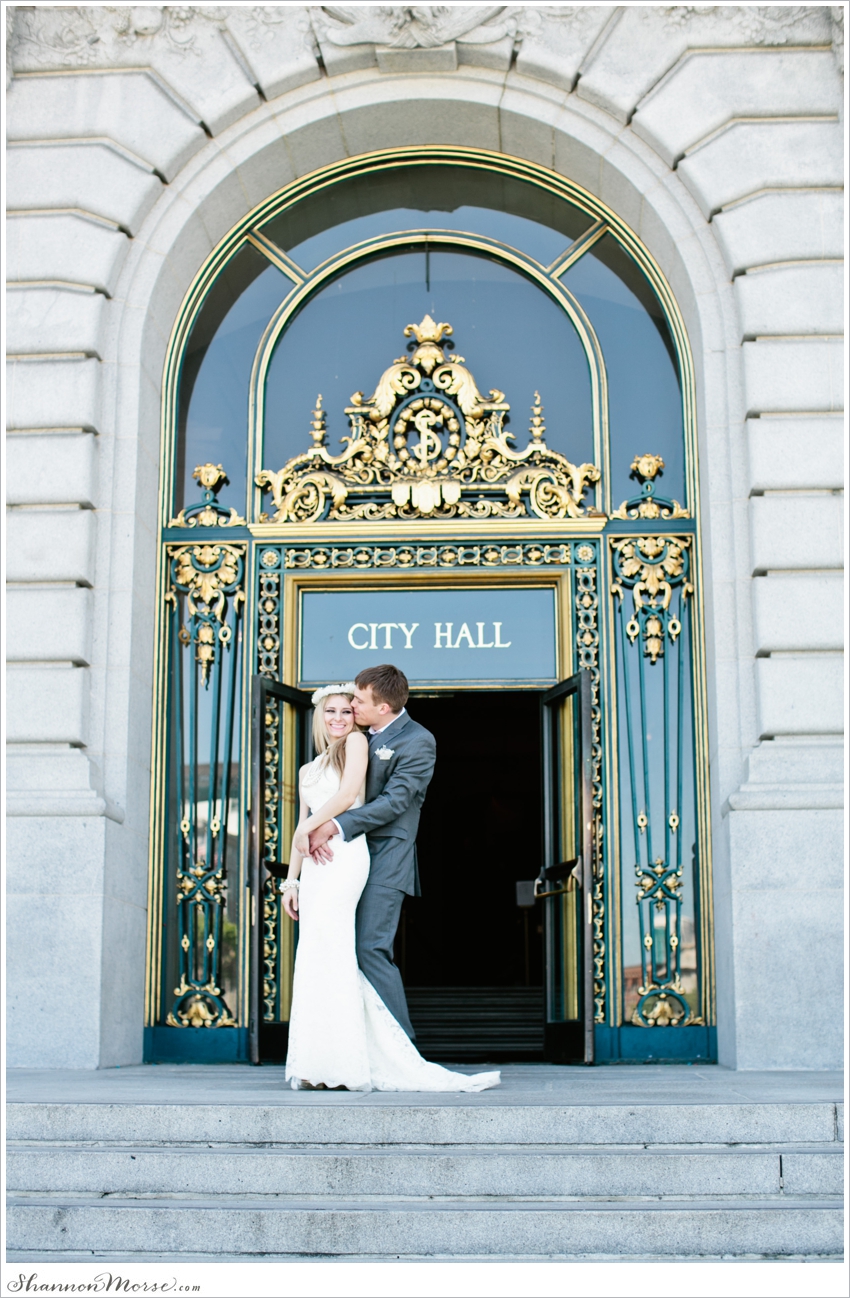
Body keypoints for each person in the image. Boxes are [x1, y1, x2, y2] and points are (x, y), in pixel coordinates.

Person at [280, 667, 499, 1092]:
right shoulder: (350, 741)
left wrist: (335, 826)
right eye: (342, 706)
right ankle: (344, 1051)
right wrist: (296, 877)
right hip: (339, 857)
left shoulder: (417, 740)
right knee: (340, 951)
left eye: (357, 702)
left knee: (370, 948)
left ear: (382, 706)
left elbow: (398, 800)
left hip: (385, 857)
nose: (350, 707)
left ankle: (401, 1053)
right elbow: (312, 812)